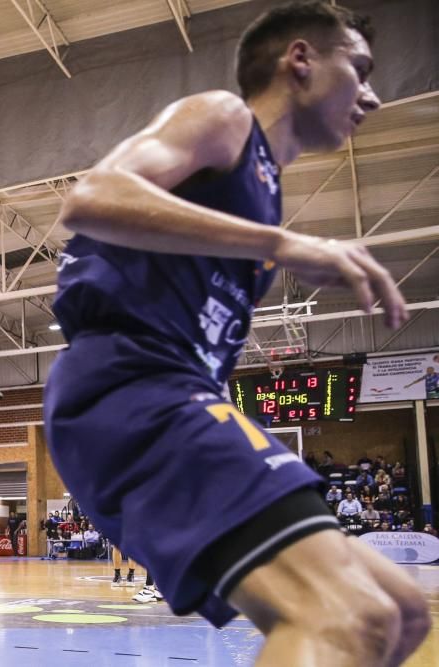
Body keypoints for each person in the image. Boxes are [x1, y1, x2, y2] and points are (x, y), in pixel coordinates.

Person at [43, 3, 430, 664]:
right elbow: (90, 198)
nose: (371, 93)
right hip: (131, 386)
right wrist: (284, 243)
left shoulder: (264, 190)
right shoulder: (226, 118)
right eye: (359, 69)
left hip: (173, 392)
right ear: (301, 59)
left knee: (402, 610)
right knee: (351, 616)